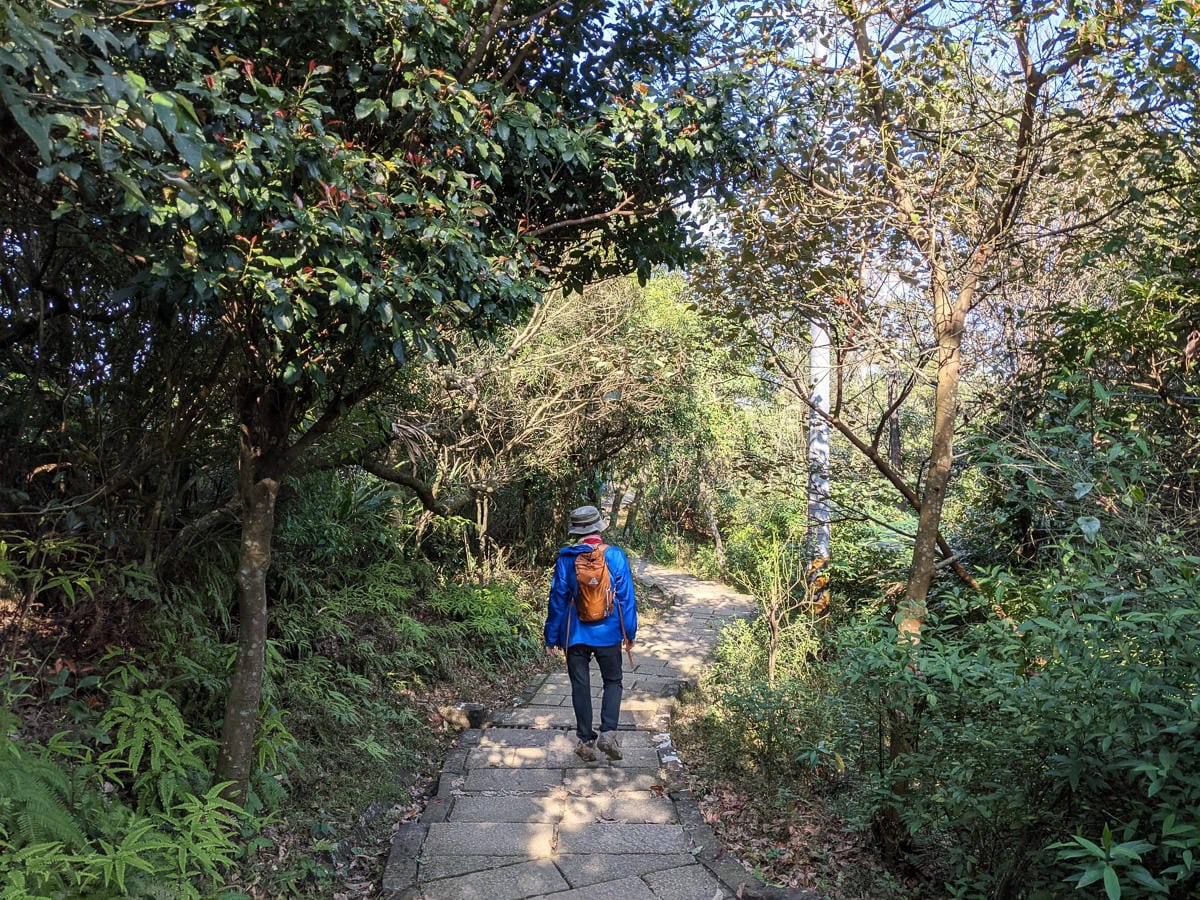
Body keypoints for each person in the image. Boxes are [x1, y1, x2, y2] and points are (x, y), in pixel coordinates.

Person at [544, 504, 637, 762]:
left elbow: (558, 601)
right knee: (613, 681)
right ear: (598, 527)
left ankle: (585, 742)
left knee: (580, 686)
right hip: (608, 633)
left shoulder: (566, 560)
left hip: (576, 635)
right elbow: (627, 599)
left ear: (576, 532)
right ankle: (608, 733)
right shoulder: (615, 556)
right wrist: (629, 632)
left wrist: (551, 636)